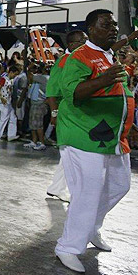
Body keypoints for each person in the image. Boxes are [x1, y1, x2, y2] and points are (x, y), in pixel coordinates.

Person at [54, 9, 135, 273]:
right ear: (91, 29)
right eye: (106, 25)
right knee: (87, 193)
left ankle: (90, 228)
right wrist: (103, 79)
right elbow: (73, 93)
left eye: (113, 24)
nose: (113, 28)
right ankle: (68, 246)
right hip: (84, 135)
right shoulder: (80, 57)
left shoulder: (108, 55)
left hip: (113, 137)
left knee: (120, 185)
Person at [45, 29, 88, 202]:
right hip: (67, 112)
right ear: (71, 44)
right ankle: (72, 191)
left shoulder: (77, 59)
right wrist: (54, 113)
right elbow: (52, 91)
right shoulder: (64, 61)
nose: (85, 44)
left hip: (75, 112)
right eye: (82, 41)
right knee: (73, 152)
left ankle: (57, 188)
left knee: (70, 153)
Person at [25, 63, 50, 150]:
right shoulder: (42, 78)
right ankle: (34, 141)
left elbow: (30, 76)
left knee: (38, 124)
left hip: (39, 104)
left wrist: (29, 68)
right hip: (35, 103)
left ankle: (42, 142)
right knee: (32, 123)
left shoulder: (43, 78)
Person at [0, 64, 21, 141]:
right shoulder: (3, 79)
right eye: (15, 74)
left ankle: (11, 135)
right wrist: (1, 97)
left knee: (13, 117)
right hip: (4, 101)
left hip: (8, 101)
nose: (15, 76)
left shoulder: (10, 80)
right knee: (3, 118)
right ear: (11, 72)